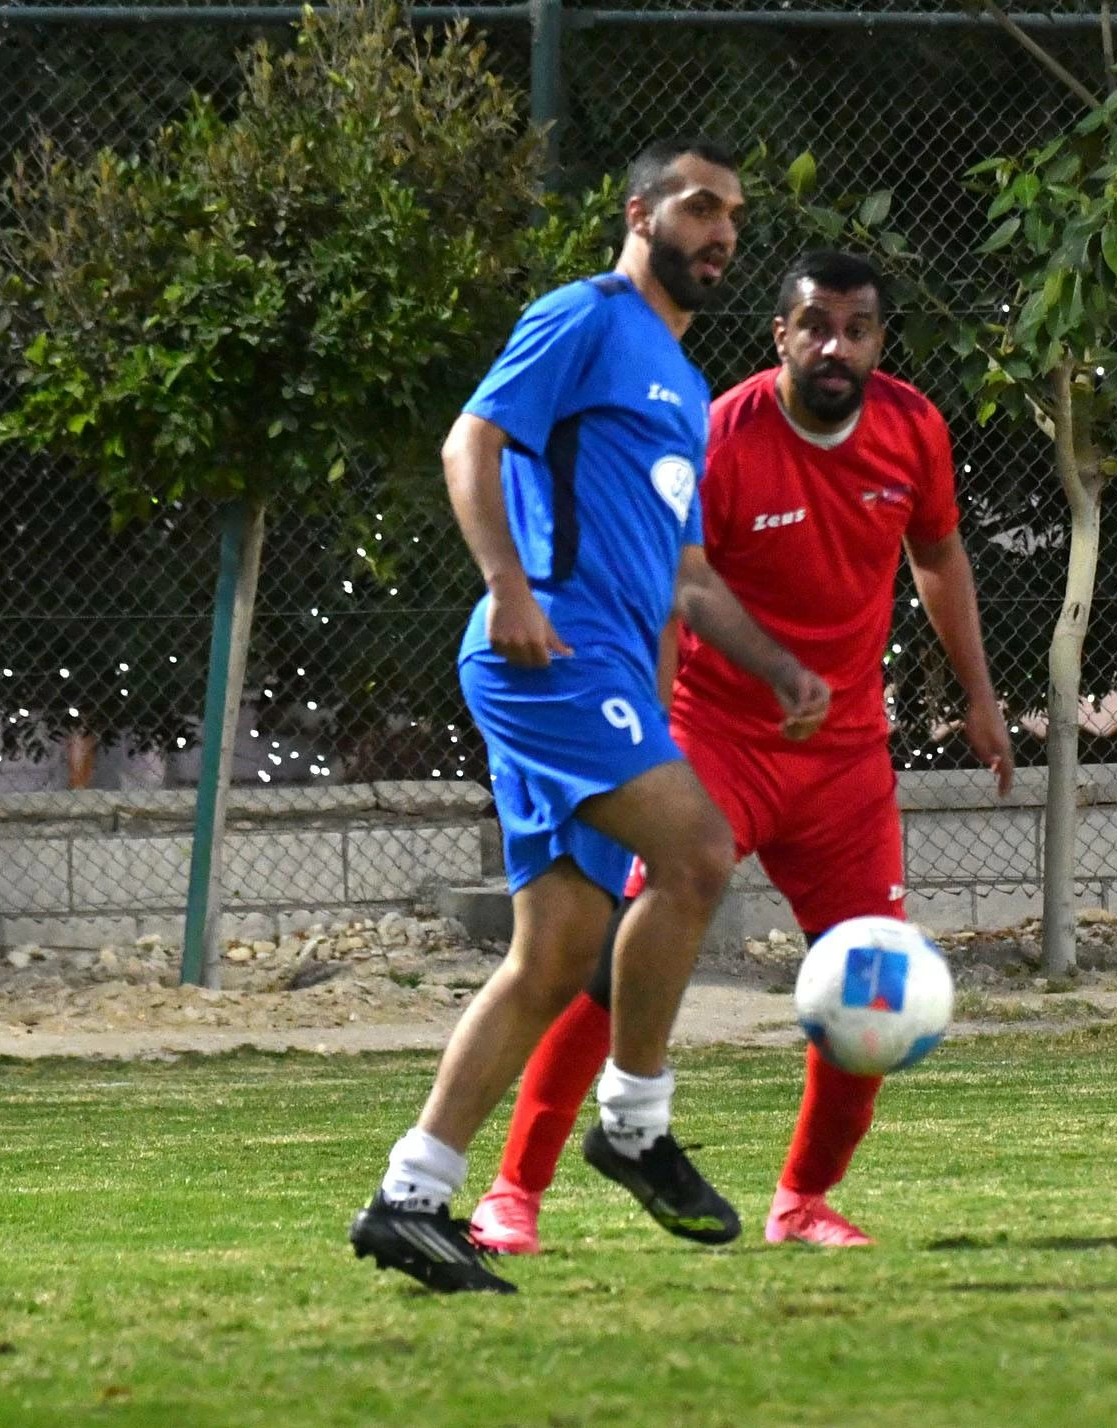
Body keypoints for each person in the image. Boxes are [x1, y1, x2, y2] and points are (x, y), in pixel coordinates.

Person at [347, 139, 831, 1295]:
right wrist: (508, 585)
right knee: (700, 851)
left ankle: (409, 1198)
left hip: (600, 668)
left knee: (555, 954)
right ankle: (633, 1122)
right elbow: (472, 439)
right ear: (640, 212)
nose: (719, 230)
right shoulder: (586, 315)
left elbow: (687, 577)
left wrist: (778, 671)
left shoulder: (680, 388)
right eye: (699, 205)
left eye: (733, 215)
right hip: (546, 647)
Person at [467, 251, 1012, 1256]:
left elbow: (937, 557)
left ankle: (802, 1199)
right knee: (616, 958)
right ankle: (513, 1193)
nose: (834, 346)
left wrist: (979, 696)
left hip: (848, 759)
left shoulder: (913, 429)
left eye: (856, 328)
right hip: (718, 739)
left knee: (871, 987)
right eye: (814, 325)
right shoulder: (718, 433)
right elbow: (679, 584)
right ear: (780, 334)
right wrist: (656, 727)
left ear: (880, 343)